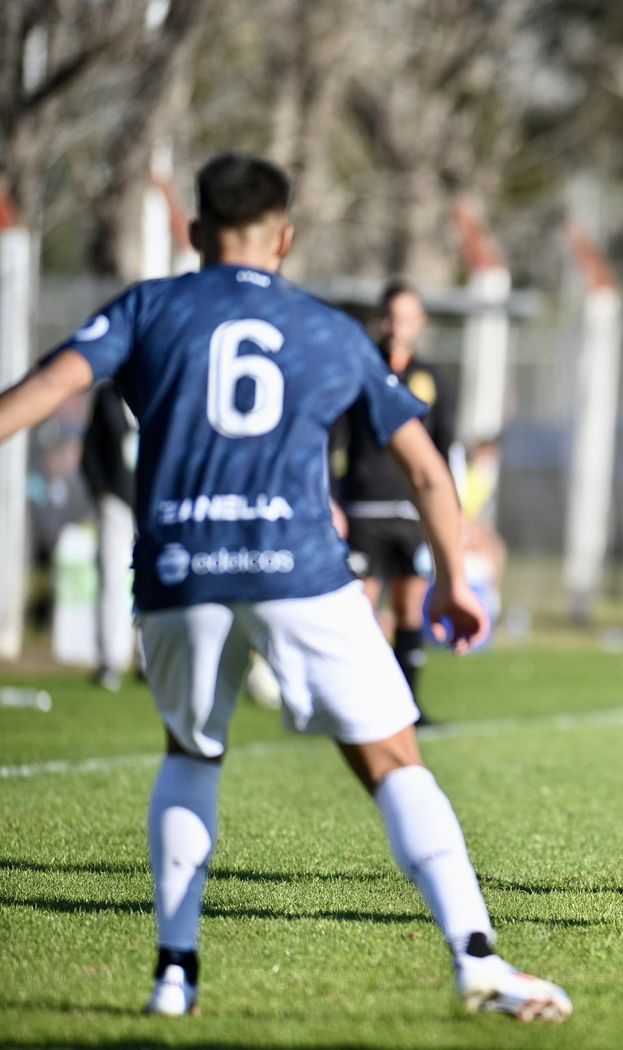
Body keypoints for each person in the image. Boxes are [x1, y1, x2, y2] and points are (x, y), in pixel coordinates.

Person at [0, 153, 570, 1022]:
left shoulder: (147, 308)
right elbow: (425, 468)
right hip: (295, 569)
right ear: (285, 236)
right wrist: (455, 579)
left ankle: (174, 976)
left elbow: (39, 395)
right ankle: (479, 960)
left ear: (195, 234)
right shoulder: (325, 328)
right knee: (391, 759)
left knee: (191, 753)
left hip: (179, 569)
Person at [336, 280, 459, 718]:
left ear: (419, 322)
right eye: (390, 316)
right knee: (359, 611)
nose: (396, 326)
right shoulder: (359, 368)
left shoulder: (431, 377)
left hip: (410, 510)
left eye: (406, 317)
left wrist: (448, 511)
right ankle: (359, 703)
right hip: (363, 510)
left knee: (410, 607)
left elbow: (443, 449)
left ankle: (407, 706)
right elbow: (337, 440)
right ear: (380, 319)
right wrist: (335, 499)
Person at [80, 380, 138, 689]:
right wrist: (101, 493)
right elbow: (90, 452)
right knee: (113, 578)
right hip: (116, 500)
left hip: (153, 499)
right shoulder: (108, 396)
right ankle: (111, 661)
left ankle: (149, 660)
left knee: (156, 579)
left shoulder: (159, 383)